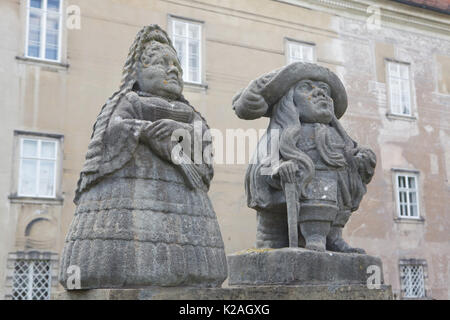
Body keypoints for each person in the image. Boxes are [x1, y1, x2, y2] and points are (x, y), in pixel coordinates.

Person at [59, 25, 227, 289]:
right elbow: (112, 129)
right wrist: (145, 131)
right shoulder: (129, 100)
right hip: (130, 193)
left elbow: (204, 137)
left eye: (177, 67)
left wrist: (180, 131)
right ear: (139, 70)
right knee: (129, 253)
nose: (173, 70)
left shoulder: (189, 112)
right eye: (163, 63)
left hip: (183, 197)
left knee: (188, 260)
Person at [232, 62, 376, 253]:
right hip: (281, 212)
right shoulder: (281, 134)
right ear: (289, 102)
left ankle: (333, 237)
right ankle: (311, 240)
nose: (319, 93)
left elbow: (352, 163)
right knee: (272, 241)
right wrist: (278, 169)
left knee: (338, 182)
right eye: (306, 87)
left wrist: (360, 162)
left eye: (324, 89)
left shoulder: (337, 136)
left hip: (330, 202)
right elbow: (264, 164)